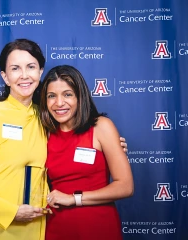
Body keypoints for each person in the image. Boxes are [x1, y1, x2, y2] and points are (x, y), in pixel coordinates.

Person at [0, 39, 128, 240]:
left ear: (40, 72)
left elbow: (72, 143)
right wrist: (10, 211)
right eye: (15, 68)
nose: (24, 75)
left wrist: (112, 146)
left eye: (31, 67)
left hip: (34, 231)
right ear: (5, 76)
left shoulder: (46, 118)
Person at [40, 65, 134, 240]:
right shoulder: (43, 133)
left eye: (67, 94)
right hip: (55, 228)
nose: (59, 103)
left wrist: (73, 198)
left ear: (80, 96)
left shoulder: (101, 127)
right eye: (51, 96)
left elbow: (125, 187)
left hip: (98, 227)